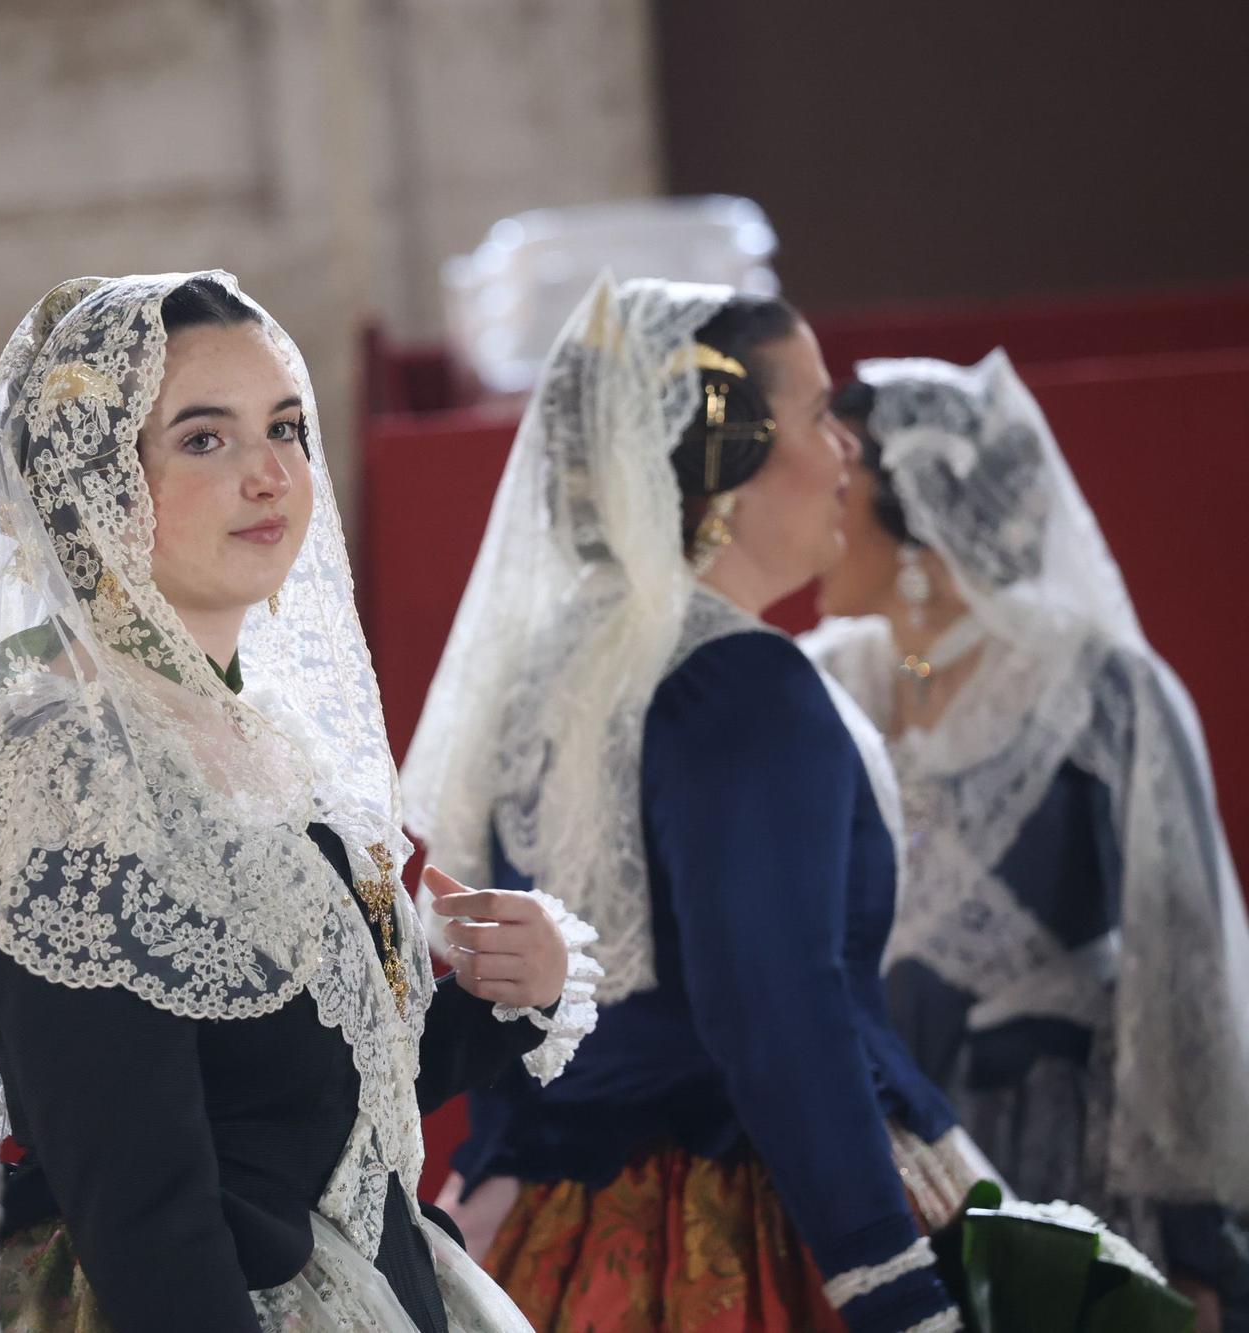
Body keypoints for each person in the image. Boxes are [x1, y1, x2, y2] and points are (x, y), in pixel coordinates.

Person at [0, 272, 600, 1332]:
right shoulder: (60, 776)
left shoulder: (270, 737)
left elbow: (323, 1094)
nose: (270, 474)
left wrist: (514, 992)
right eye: (203, 439)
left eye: (283, 426)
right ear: (93, 485)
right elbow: (141, 1209)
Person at [402, 275, 985, 1333]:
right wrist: (884, 1280)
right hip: (738, 1225)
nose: (847, 449)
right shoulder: (739, 681)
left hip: (550, 1222)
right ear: (725, 455)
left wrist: (492, 1174)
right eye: (815, 414)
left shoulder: (538, 670)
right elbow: (777, 1007)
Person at [806, 351, 1249, 1332]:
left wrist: (1192, 1238)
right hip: (885, 1152)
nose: (820, 513)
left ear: (912, 510)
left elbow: (1181, 969)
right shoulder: (839, 674)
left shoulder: (1088, 688)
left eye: (846, 483)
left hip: (1056, 1140)